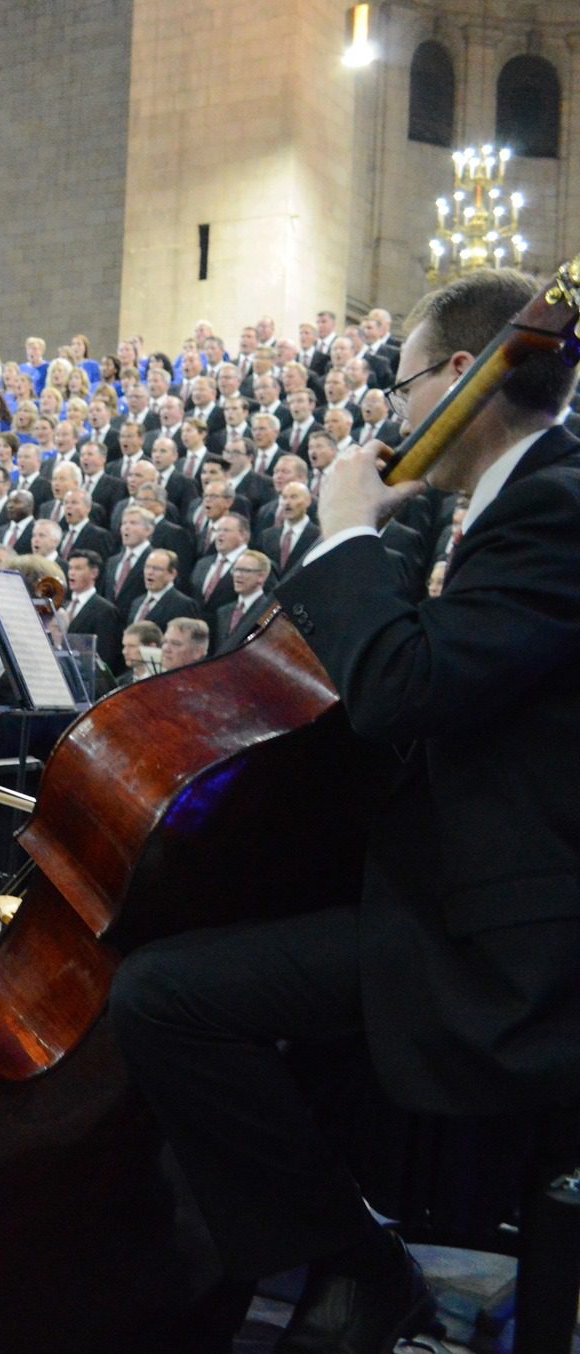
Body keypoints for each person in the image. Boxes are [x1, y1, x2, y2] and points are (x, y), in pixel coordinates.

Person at [111, 270, 580, 1354]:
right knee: (241, 981)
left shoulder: (553, 503)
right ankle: (296, 1270)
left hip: (506, 948)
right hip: (446, 898)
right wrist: (385, 528)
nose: (397, 410)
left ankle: (359, 1270)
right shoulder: (505, 500)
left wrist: (344, 531)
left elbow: (402, 690)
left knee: (162, 997)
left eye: (403, 383)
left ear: (460, 377)